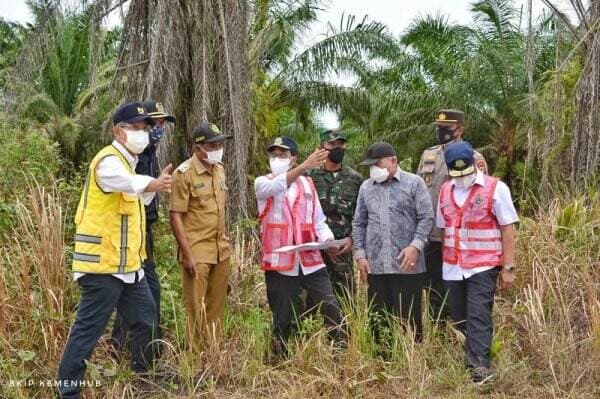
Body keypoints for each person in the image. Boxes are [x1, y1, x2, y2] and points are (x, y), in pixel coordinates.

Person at [56, 102, 173, 399]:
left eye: (144, 128)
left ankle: (141, 376)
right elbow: (124, 184)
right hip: (102, 267)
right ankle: (68, 392)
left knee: (146, 318)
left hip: (128, 267)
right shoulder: (108, 161)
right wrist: (151, 183)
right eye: (135, 128)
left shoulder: (129, 164)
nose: (142, 133)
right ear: (118, 132)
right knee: (87, 333)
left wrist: (152, 188)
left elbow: (137, 201)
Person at [254, 136, 346, 357]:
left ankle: (343, 354)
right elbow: (278, 185)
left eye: (283, 155)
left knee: (330, 307)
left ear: (292, 159)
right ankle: (281, 358)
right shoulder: (263, 182)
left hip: (310, 259)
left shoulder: (307, 185)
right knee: (283, 315)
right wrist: (305, 166)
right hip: (280, 262)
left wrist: (328, 241)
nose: (277, 159)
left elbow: (318, 221)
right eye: (274, 155)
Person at [437, 141, 518, 383]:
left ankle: (480, 367)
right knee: (460, 315)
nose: (462, 178)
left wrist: (508, 268)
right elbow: (443, 230)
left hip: (483, 265)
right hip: (453, 266)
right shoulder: (445, 190)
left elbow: (508, 228)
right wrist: (445, 259)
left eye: (466, 172)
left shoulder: (495, 188)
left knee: (479, 314)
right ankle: (471, 356)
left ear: (474, 164)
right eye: (456, 174)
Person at [353, 142, 433, 346]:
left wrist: (415, 246)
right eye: (371, 166)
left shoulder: (414, 183)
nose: (374, 170)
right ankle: (383, 360)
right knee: (379, 321)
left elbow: (426, 218)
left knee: (410, 321)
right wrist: (360, 254)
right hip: (376, 265)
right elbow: (359, 222)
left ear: (393, 161)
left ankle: (411, 362)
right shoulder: (366, 187)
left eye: (378, 164)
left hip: (407, 265)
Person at [111, 100, 175, 353]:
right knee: (143, 293)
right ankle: (135, 350)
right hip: (128, 234)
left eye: (161, 124)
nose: (158, 129)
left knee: (141, 292)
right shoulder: (131, 156)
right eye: (154, 124)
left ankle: (134, 350)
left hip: (143, 231)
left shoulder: (149, 153)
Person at [416, 109, 489, 323]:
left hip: (458, 237)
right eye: (439, 128)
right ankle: (437, 329)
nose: (442, 133)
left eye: (446, 129)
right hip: (431, 233)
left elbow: (481, 196)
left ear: (460, 130)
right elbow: (421, 189)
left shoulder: (473, 157)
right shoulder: (428, 155)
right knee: (432, 287)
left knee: (456, 287)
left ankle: (459, 327)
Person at [169, 122, 231, 352]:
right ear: (198, 147)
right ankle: (194, 360)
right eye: (212, 144)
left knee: (217, 305)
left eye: (219, 144)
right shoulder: (183, 174)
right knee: (195, 306)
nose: (218, 148)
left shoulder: (219, 169)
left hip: (220, 249)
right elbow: (175, 216)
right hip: (196, 251)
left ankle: (213, 353)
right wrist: (186, 254)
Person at [307, 129, 363, 302]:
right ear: (321, 147)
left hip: (341, 248)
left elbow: (360, 215)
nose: (337, 148)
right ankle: (311, 329)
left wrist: (352, 239)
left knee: (344, 299)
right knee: (310, 298)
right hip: (313, 248)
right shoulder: (308, 176)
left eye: (340, 144)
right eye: (331, 144)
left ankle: (343, 329)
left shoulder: (355, 178)